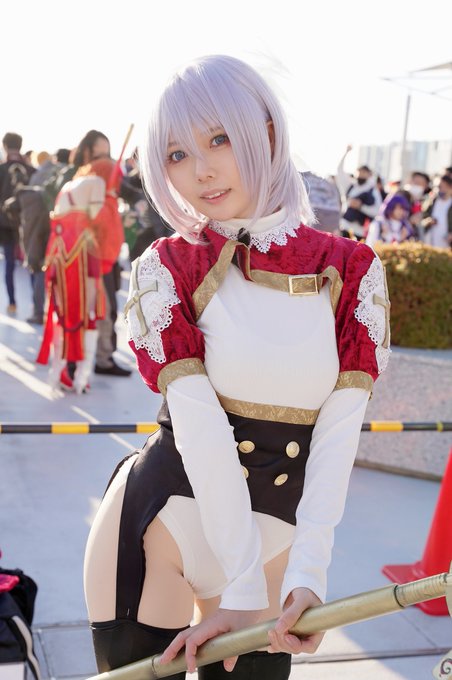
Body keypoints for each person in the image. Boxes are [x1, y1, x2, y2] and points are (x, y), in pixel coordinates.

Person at [83, 54, 391, 679]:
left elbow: (336, 442)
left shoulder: (351, 271)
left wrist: (308, 575)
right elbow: (200, 430)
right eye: (176, 154)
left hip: (276, 547)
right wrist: (243, 590)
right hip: (160, 528)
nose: (200, 170)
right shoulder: (170, 267)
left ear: (266, 133)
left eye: (218, 138)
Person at [0, 132, 34, 313]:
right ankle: (36, 305)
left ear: (5, 146)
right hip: (27, 222)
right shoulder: (31, 170)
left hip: (5, 224)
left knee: (9, 263)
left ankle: (12, 302)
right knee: (32, 262)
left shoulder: (1, 169)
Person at [336, 145, 382, 240]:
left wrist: (360, 206)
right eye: (359, 172)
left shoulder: (373, 191)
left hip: (360, 233)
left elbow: (377, 211)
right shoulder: (350, 186)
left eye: (364, 172)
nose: (361, 174)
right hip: (344, 227)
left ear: (369, 174)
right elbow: (339, 171)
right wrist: (346, 152)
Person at [420, 174, 452, 249]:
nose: (442, 190)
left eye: (445, 187)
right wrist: (428, 221)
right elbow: (422, 218)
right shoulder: (431, 202)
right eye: (440, 187)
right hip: (430, 243)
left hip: (447, 246)